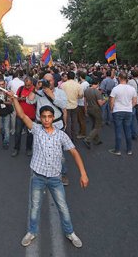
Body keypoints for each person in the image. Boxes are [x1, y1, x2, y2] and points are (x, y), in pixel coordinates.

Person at [8, 92, 89, 249]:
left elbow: (74, 152)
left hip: (55, 179)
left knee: (63, 207)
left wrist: (83, 173)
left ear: (53, 118)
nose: (46, 119)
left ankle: (69, 232)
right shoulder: (36, 130)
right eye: (43, 116)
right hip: (37, 177)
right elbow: (22, 115)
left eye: (49, 117)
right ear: (40, 117)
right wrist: (14, 100)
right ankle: (32, 231)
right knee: (35, 207)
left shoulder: (61, 135)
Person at [26, 73, 69, 185]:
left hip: (56, 126)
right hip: (40, 126)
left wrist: (51, 95)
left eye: (49, 81)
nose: (47, 83)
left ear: (54, 81)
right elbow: (29, 101)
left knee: (58, 153)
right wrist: (36, 88)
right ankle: (41, 172)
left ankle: (63, 173)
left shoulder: (60, 92)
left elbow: (64, 105)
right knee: (39, 149)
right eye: (44, 80)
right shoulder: (39, 93)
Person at [108, 72, 137, 156]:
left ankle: (117, 150)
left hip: (117, 111)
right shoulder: (132, 89)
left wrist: (111, 109)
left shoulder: (115, 89)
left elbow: (111, 101)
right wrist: (129, 107)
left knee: (118, 131)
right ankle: (129, 150)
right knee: (128, 130)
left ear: (119, 78)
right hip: (128, 111)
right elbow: (135, 101)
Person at [12, 77, 35, 157]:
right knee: (17, 133)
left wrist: (26, 98)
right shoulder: (21, 88)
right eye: (26, 85)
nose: (27, 87)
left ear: (32, 84)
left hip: (31, 116)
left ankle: (28, 148)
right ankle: (16, 148)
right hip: (20, 115)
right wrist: (19, 98)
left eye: (29, 85)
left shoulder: (35, 90)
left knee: (30, 134)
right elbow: (15, 98)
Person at [82, 77, 105, 148]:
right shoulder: (97, 91)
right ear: (97, 83)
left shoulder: (86, 90)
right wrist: (105, 100)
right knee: (98, 126)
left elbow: (85, 101)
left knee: (94, 124)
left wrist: (85, 110)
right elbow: (100, 103)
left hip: (89, 109)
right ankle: (87, 139)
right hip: (96, 110)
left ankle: (96, 139)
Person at [61, 71, 83, 140]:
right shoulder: (78, 85)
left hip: (65, 106)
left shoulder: (63, 85)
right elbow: (81, 95)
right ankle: (74, 136)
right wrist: (76, 97)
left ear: (67, 77)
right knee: (74, 121)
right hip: (74, 105)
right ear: (74, 77)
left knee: (67, 122)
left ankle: (68, 137)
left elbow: (60, 95)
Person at [0, 79, 13, 149]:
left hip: (6, 112)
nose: (1, 86)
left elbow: (10, 102)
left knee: (6, 128)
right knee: (1, 128)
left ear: (5, 84)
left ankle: (6, 142)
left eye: (2, 84)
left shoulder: (7, 92)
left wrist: (3, 102)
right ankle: (4, 137)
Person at [76, 71, 89, 138]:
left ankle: (83, 133)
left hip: (81, 103)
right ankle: (81, 131)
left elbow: (79, 94)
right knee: (81, 119)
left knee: (81, 119)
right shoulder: (86, 83)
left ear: (80, 77)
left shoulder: (82, 85)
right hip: (84, 102)